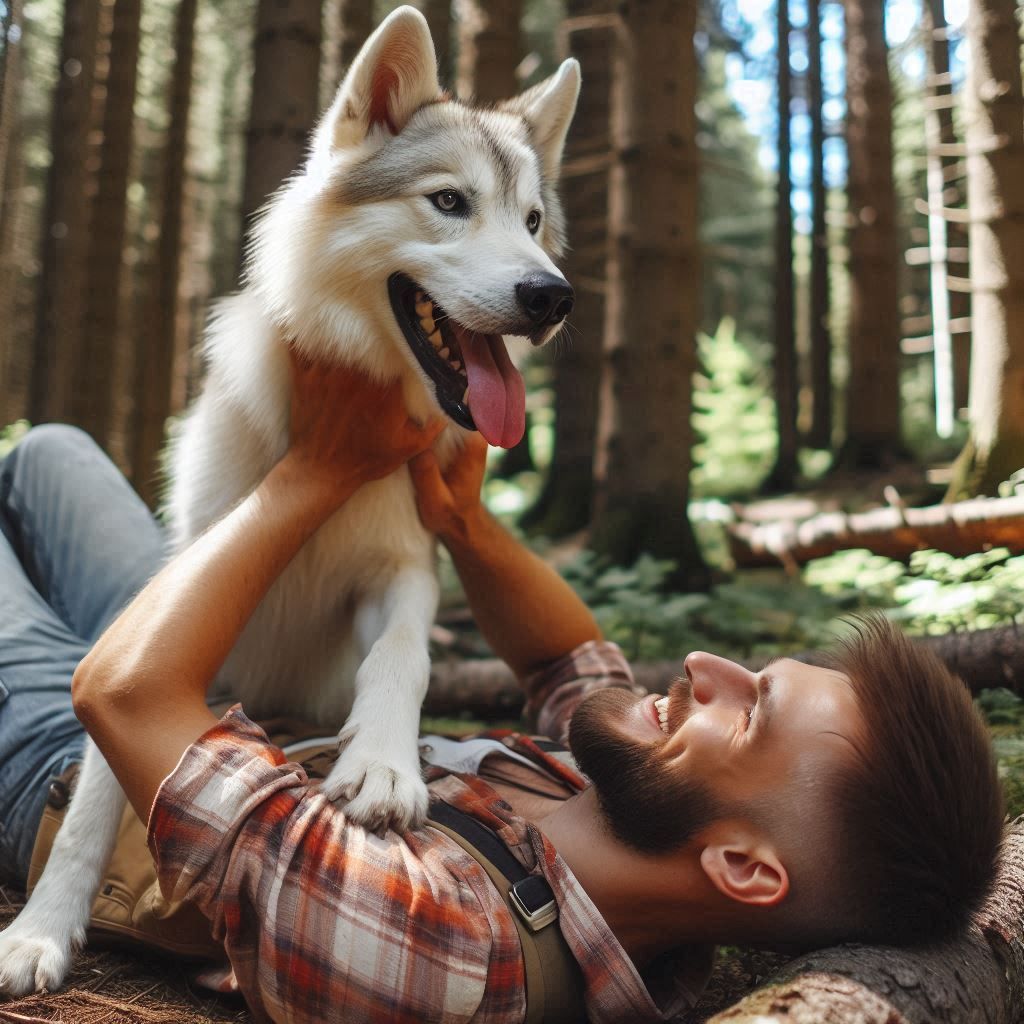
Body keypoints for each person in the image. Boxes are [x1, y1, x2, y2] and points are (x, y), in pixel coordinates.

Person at [0, 353, 1005, 1023]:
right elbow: (568, 664)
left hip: (66, 766)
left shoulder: (443, 949)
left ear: (743, 868)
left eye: (751, 707)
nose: (703, 670)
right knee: (50, 454)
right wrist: (459, 519)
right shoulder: (630, 803)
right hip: (227, 673)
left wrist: (319, 467)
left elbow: (122, 697)